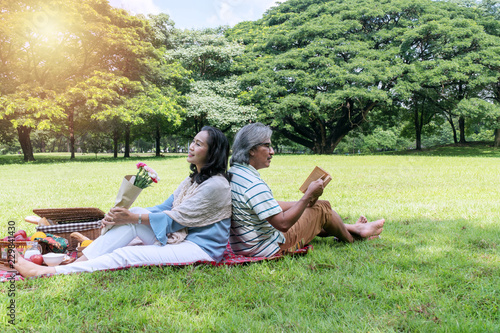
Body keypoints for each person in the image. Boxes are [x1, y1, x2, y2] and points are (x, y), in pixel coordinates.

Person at [12, 126, 232, 277]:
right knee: (134, 214)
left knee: (126, 254)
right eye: (193, 141)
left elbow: (175, 220)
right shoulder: (192, 179)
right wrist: (123, 216)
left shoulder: (215, 185)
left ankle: (45, 272)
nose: (192, 147)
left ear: (212, 153)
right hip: (181, 238)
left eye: (199, 144)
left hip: (200, 248)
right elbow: (165, 207)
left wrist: (134, 217)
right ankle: (80, 263)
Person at [229, 122, 385, 257]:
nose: (272, 151)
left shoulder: (235, 174)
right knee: (322, 207)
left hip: (243, 245)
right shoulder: (254, 185)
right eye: (267, 146)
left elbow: (267, 205)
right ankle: (355, 238)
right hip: (268, 248)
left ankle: (355, 228)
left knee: (311, 212)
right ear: (251, 149)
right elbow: (283, 224)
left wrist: (303, 202)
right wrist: (308, 196)